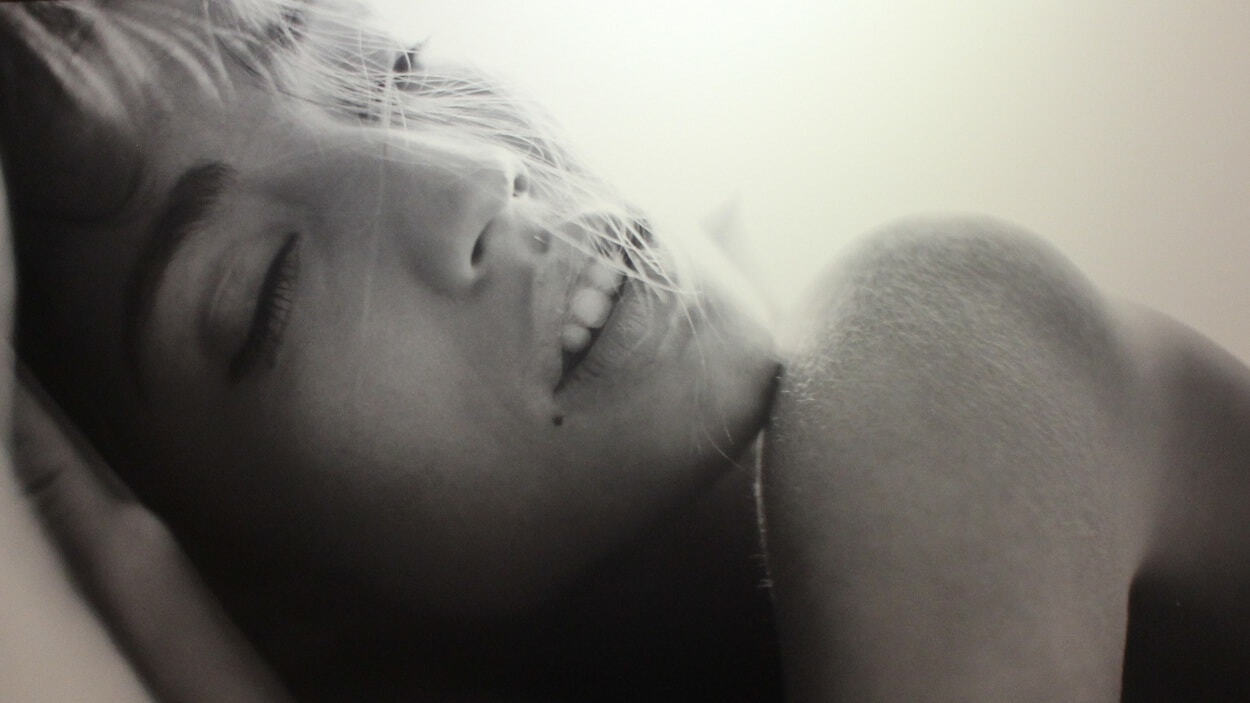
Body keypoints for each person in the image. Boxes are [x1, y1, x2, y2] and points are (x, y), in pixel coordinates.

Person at [1, 1, 1247, 700]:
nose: (468, 174)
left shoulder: (926, 341)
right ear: (271, 588)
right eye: (265, 289)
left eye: (388, 72)